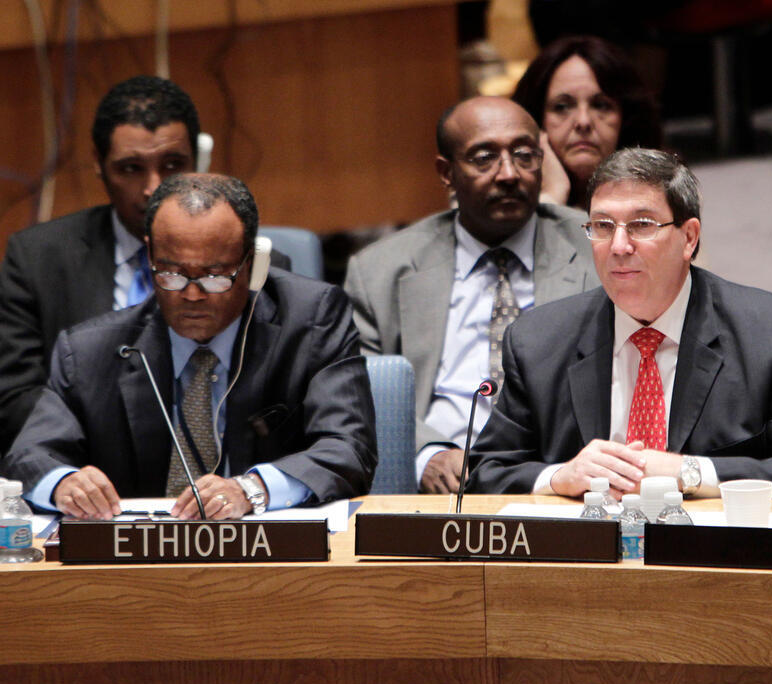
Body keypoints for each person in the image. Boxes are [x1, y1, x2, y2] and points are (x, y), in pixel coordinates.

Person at [466, 148, 772, 500]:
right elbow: (486, 474)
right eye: (603, 226)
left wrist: (689, 472)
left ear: (689, 238)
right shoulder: (537, 341)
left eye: (641, 225)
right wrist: (558, 477)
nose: (618, 246)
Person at [3, 174, 376, 520]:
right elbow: (28, 456)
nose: (192, 295)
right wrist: (63, 483)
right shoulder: (90, 351)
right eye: (171, 273)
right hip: (138, 556)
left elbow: (349, 447)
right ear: (150, 256)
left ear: (253, 263)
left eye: (214, 276)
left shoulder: (311, 322)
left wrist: (253, 489)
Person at [0, 75, 290, 455]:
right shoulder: (38, 260)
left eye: (172, 165)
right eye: (131, 168)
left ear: (198, 161)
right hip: (91, 471)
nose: (154, 187)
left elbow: (285, 396)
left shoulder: (255, 266)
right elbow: (15, 398)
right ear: (99, 166)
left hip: (223, 466)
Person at [344, 96, 597, 495]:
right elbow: (359, 387)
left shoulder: (596, 249)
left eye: (524, 155)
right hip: (440, 486)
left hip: (561, 476)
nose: (509, 174)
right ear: (446, 173)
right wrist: (426, 454)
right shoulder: (380, 270)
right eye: (484, 158)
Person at [511, 35, 662, 209]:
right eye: (562, 107)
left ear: (626, 119)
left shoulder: (664, 203)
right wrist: (553, 197)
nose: (583, 122)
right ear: (537, 121)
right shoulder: (506, 209)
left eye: (601, 105)